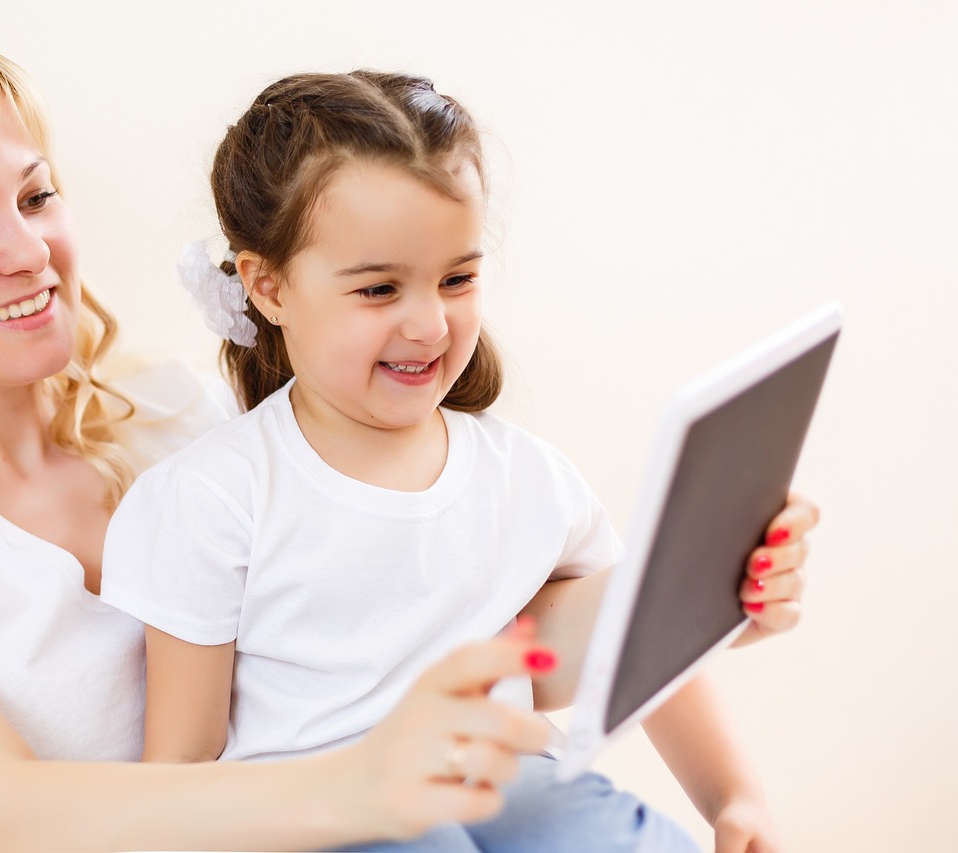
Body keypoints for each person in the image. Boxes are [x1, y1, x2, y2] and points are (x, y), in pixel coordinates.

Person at [0, 29, 574, 852]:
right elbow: (0, 811)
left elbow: (409, 623)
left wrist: (652, 617)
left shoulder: (181, 416)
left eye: (37, 197)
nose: (30, 251)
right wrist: (358, 783)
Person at [98, 71, 817, 852]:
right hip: (320, 814)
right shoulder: (215, 496)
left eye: (458, 279)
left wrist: (735, 797)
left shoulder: (524, 475)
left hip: (508, 783)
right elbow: (179, 769)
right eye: (380, 289)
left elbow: (637, 635)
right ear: (268, 287)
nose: (431, 324)